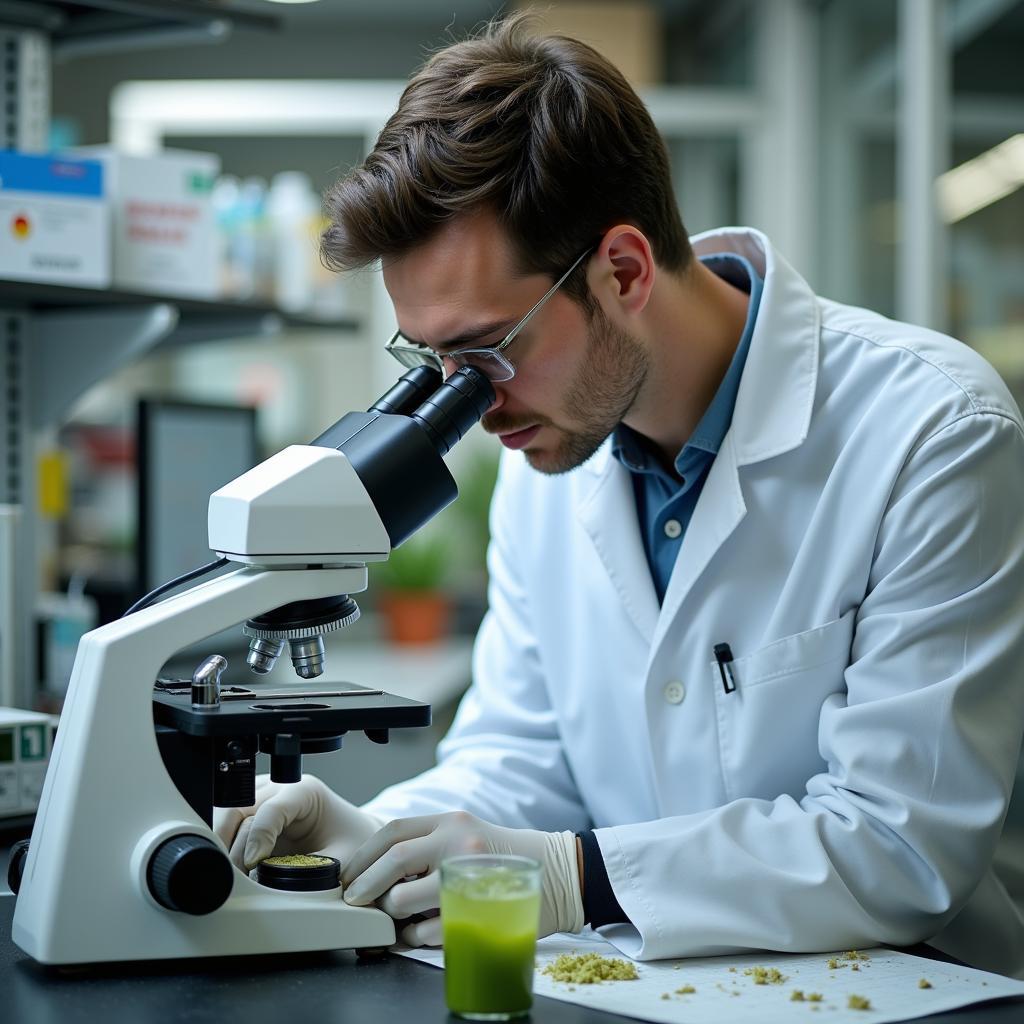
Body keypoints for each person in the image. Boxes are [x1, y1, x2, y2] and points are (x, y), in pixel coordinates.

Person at [215, 15, 1024, 977]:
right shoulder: (544, 460)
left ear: (625, 270)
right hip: (655, 991)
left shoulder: (933, 429)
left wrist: (577, 878)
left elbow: (900, 844)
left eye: (488, 353)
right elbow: (522, 761)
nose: (475, 407)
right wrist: (373, 835)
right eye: (435, 365)